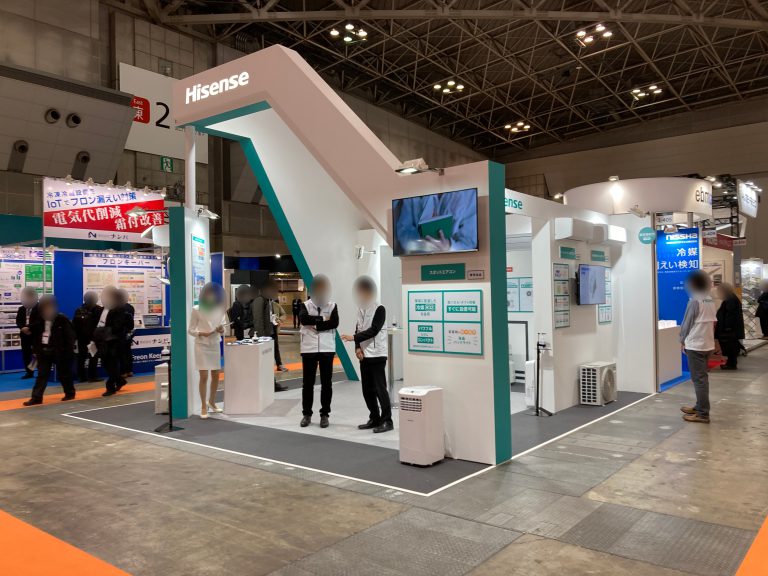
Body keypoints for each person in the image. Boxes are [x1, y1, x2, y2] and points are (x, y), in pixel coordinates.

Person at [342, 276, 392, 433]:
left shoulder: (380, 308)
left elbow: (374, 330)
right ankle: (374, 418)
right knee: (367, 390)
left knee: (380, 389)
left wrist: (353, 338)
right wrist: (357, 348)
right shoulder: (360, 309)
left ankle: (387, 420)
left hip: (377, 354)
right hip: (364, 355)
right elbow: (358, 328)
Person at [299, 275, 339, 428]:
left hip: (327, 348)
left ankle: (324, 414)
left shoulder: (332, 305)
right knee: (307, 383)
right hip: (308, 348)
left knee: (326, 384)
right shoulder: (305, 305)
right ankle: (306, 414)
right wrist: (323, 319)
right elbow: (304, 319)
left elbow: (334, 323)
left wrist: (315, 324)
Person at [23, 295, 76, 405]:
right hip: (44, 352)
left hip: (60, 352)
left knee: (64, 374)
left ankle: (70, 393)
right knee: (42, 375)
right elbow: (36, 337)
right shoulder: (40, 320)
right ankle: (36, 397)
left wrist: (66, 351)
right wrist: (36, 350)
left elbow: (70, 337)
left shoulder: (62, 319)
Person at [679, 270, 717, 424]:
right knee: (702, 378)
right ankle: (699, 406)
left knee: (699, 380)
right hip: (707, 343)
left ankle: (702, 413)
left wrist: (682, 340)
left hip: (695, 344)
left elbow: (687, 323)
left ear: (693, 284)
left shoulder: (694, 301)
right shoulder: (709, 300)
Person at [188, 282, 227, 419]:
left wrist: (221, 329)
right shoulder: (196, 309)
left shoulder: (219, 309)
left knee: (216, 374)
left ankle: (212, 402)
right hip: (201, 345)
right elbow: (190, 329)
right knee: (204, 376)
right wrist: (201, 333)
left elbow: (224, 328)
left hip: (214, 344)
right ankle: (203, 406)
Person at [90, 286, 131, 397]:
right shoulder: (102, 309)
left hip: (114, 342)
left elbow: (117, 326)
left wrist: (102, 331)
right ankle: (120, 381)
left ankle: (110, 387)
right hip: (102, 342)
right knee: (106, 364)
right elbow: (97, 323)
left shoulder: (119, 309)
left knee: (112, 364)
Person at [252, 279, 289, 377]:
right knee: (265, 354)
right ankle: (266, 372)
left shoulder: (270, 301)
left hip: (272, 330)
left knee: (275, 349)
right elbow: (258, 319)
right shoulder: (259, 300)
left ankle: (279, 365)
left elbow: (273, 315)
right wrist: (261, 337)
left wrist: (277, 321)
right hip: (264, 334)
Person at [714, 283, 745, 370]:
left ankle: (731, 364)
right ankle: (730, 363)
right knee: (731, 347)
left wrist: (727, 328)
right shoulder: (731, 298)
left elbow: (730, 316)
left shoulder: (730, 300)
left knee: (730, 347)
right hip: (731, 330)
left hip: (729, 330)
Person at [73, 291, 100, 382]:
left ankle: (81, 377)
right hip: (93, 338)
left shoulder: (79, 310)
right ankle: (92, 376)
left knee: (81, 357)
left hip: (81, 337)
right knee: (93, 356)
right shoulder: (97, 309)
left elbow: (75, 324)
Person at [15, 287, 40, 379]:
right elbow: (18, 321)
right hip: (24, 335)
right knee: (26, 354)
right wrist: (22, 328)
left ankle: (40, 371)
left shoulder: (39, 308)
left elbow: (39, 321)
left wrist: (29, 327)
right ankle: (29, 372)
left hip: (35, 335)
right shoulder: (21, 308)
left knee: (37, 354)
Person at [117, 288, 135, 378]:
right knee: (128, 352)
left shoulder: (116, 307)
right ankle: (130, 371)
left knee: (122, 353)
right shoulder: (130, 307)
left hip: (120, 334)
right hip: (129, 333)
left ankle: (123, 372)